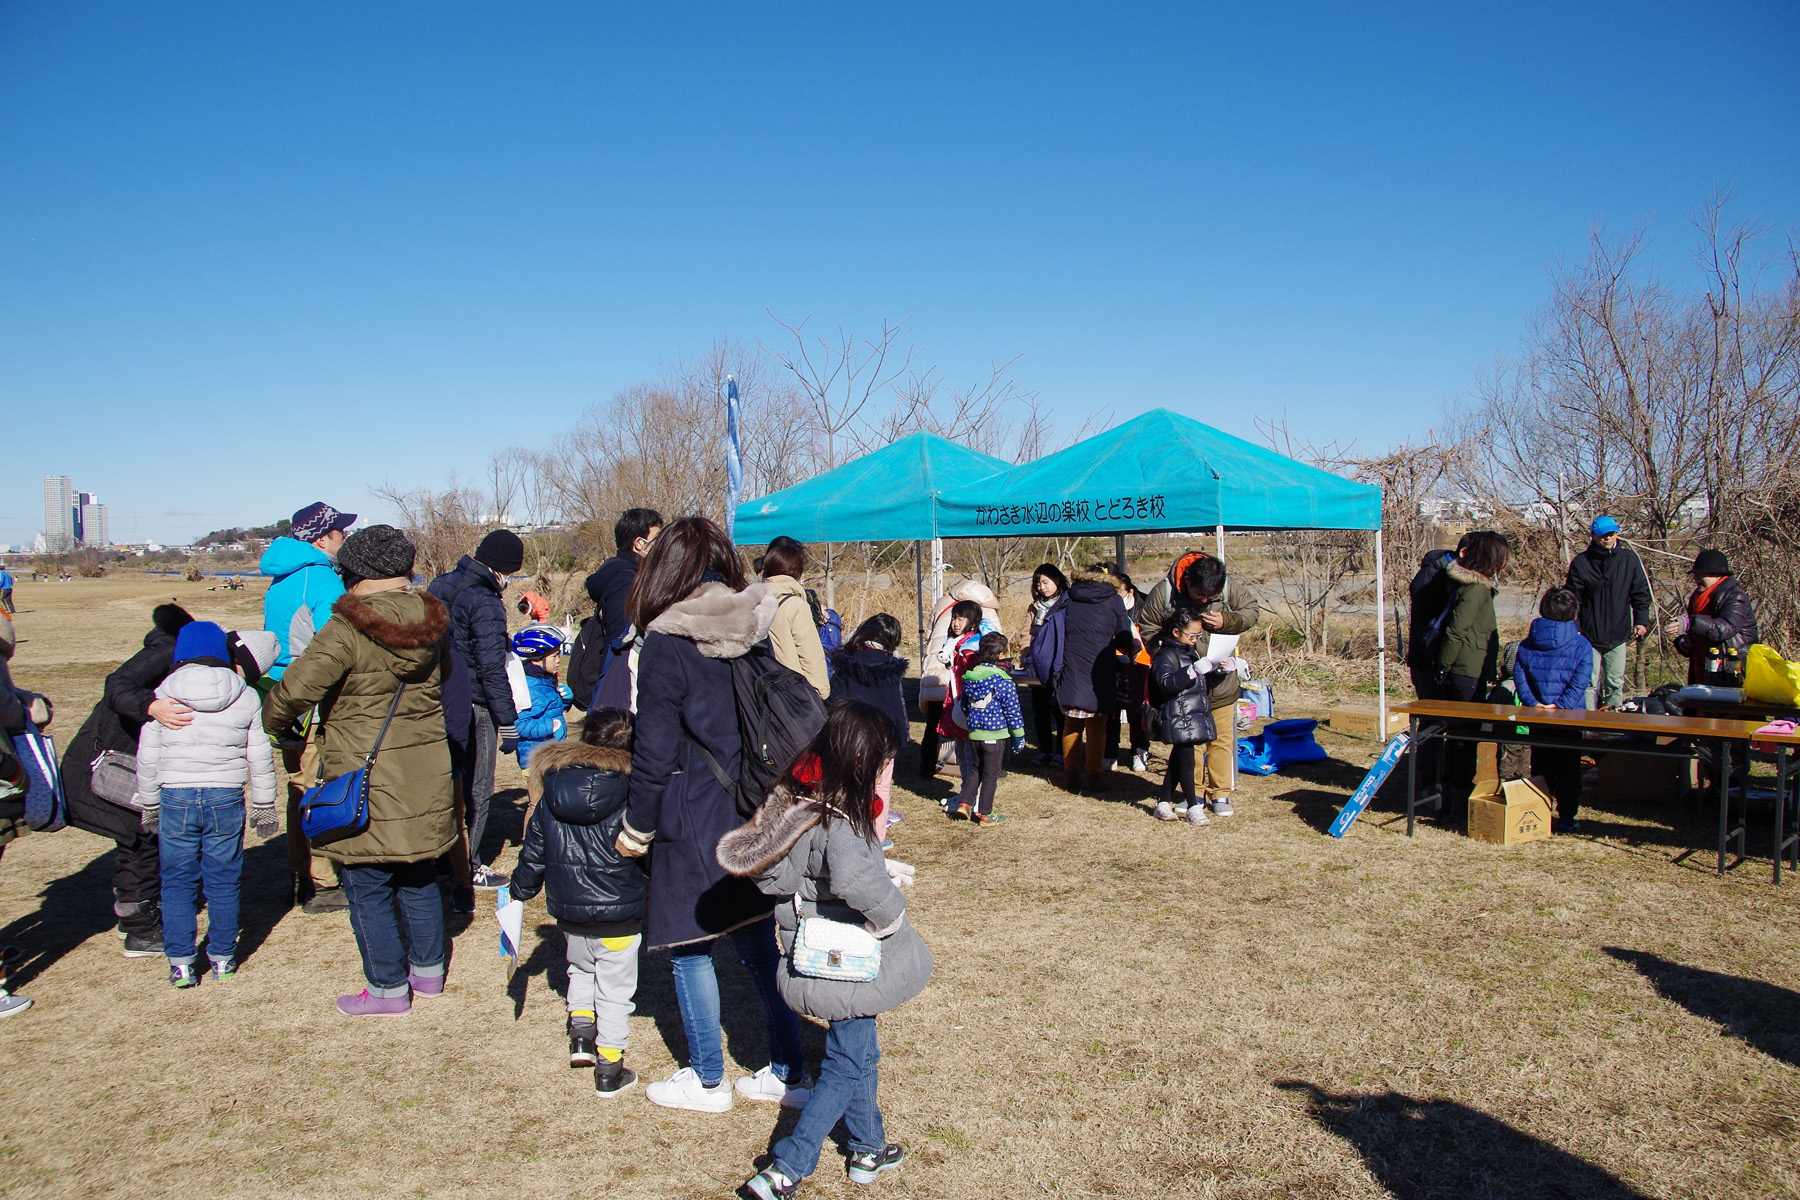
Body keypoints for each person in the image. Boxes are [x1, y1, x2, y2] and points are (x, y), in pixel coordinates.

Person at [614, 516, 808, 1113]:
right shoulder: (752, 626)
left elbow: (654, 751)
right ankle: (790, 1072)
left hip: (690, 812)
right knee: (755, 943)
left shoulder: (669, 644)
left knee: (689, 944)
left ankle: (704, 1080)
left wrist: (635, 828)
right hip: (750, 809)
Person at [717, 702, 931, 1200]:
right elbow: (857, 879)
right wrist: (892, 913)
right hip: (850, 956)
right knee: (846, 1062)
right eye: (881, 761)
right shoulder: (844, 816)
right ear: (862, 761)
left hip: (813, 948)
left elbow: (785, 875)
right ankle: (788, 1166)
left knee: (860, 1050)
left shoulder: (801, 801)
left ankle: (868, 1147)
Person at [264, 526, 456, 1017]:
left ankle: (388, 989)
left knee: (366, 879)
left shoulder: (347, 627)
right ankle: (428, 972)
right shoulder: (434, 621)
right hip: (425, 764)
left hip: (363, 770)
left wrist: (275, 721)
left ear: (354, 571)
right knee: (417, 869)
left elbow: (296, 689)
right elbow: (446, 675)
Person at [511, 707, 647, 1095]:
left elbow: (534, 848)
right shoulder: (637, 792)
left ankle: (582, 1036)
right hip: (620, 913)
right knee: (616, 991)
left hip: (568, 910)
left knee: (580, 969)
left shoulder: (553, 785)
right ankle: (610, 1065)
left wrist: (520, 889)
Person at [135, 623, 280, 987]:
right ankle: (222, 957)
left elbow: (148, 756)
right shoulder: (246, 696)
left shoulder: (163, 695)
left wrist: (150, 802)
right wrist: (264, 802)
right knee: (224, 879)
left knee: (177, 881)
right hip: (226, 796)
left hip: (176, 796)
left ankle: (181, 962)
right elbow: (259, 756)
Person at [59, 602, 196, 958]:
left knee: (142, 835)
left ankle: (140, 915)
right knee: (141, 836)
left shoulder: (169, 649)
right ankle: (140, 928)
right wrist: (151, 705)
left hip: (118, 760)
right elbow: (117, 684)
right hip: (106, 763)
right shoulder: (166, 651)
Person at [260, 500, 357, 914]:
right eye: (340, 531)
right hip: (312, 702)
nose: (344, 537)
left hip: (283, 694)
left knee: (299, 784)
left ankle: (301, 872)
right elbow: (333, 646)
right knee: (317, 785)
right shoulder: (320, 579)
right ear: (321, 538)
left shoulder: (282, 578)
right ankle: (321, 881)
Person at [427, 529, 525, 890]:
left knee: (446, 780)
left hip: (438, 696)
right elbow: (490, 665)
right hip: (476, 702)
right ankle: (468, 864)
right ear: (502, 568)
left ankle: (439, 856)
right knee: (478, 785)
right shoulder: (485, 601)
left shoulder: (439, 585)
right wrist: (507, 719)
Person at [1138, 553, 1260, 815]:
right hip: (1186, 684)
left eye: (1209, 596)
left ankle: (1221, 794)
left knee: (1221, 740)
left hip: (1221, 682)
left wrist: (1227, 621)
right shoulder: (1165, 592)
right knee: (1188, 739)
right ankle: (1190, 791)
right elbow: (1146, 625)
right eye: (1199, 594)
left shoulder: (1228, 588)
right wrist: (1169, 652)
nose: (1203, 600)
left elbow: (1251, 611)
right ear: (1187, 581)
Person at [1429, 531, 1510, 807]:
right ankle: (1458, 794)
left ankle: (1454, 790)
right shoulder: (1475, 589)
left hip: (1471, 668)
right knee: (1464, 736)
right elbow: (1456, 631)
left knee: (1462, 734)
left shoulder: (1476, 586)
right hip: (1466, 670)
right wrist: (1444, 666)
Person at [1514, 588, 1594, 833]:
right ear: (1573, 613)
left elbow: (1519, 673)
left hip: (1538, 715)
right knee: (1569, 769)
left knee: (1541, 767)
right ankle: (1568, 818)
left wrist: (1532, 701)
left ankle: (1539, 815)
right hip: (1568, 717)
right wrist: (1563, 704)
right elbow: (1582, 679)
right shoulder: (1581, 644)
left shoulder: (1528, 642)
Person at [1056, 569, 1134, 793]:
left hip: (1071, 665)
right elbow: (1123, 636)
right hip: (1100, 669)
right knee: (1097, 727)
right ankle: (1094, 775)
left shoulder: (1069, 596)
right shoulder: (1113, 599)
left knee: (1071, 724)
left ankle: (1071, 774)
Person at [1565, 516, 1652, 708]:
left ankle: (1613, 724)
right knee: (1588, 682)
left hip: (1618, 633)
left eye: (1611, 534)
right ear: (1593, 536)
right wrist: (1575, 626)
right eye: (1603, 535)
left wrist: (1641, 621)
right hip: (1589, 634)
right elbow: (1573, 598)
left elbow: (1640, 593)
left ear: (1617, 534)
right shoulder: (1581, 562)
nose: (1608, 538)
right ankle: (1586, 724)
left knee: (1615, 683)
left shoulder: (1629, 559)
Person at [1149, 608, 1220, 825]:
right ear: (1176, 632)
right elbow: (1166, 683)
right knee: (1188, 762)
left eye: (1198, 636)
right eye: (1192, 636)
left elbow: (1201, 686)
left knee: (1178, 761)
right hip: (1177, 715)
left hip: (1191, 713)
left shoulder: (1191, 653)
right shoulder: (1165, 656)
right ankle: (1193, 806)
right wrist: (1190, 672)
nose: (1195, 640)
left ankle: (1163, 802)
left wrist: (1219, 671)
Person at [947, 632, 1023, 824]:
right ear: (999, 655)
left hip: (974, 734)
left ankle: (965, 803)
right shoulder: (1004, 681)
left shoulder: (971, 677)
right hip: (995, 736)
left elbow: (964, 705)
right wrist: (1019, 735)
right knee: (990, 776)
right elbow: (1013, 711)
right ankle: (985, 813)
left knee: (974, 769)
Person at [1666, 549, 1759, 686]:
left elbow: (1726, 628)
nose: (1696, 578)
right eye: (1695, 573)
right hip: (1705, 669)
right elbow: (1701, 631)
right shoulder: (1698, 597)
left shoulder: (1735, 597)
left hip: (1732, 670)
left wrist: (1690, 623)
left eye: (1701, 574)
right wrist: (1685, 642)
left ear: (1718, 576)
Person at [583, 507, 663, 653]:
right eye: (657, 539)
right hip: (624, 665)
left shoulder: (623, 572)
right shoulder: (626, 580)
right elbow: (620, 636)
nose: (661, 546)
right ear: (640, 543)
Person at [760, 536, 830, 700]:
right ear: (798, 573)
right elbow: (810, 656)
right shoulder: (796, 606)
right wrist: (821, 692)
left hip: (760, 689)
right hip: (792, 692)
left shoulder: (752, 601)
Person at [1096, 565, 1152, 773]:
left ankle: (1139, 750)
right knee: (1112, 712)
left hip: (1139, 665)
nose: (1116, 595)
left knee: (1137, 712)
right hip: (1113, 663)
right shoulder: (1107, 607)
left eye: (1119, 591)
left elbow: (1149, 632)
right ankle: (1110, 753)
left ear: (1130, 591)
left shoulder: (1143, 607)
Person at [918, 600, 983, 776]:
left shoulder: (972, 641)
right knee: (960, 739)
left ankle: (970, 787)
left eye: (961, 619)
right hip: (951, 690)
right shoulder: (954, 639)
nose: (955, 623)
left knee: (966, 741)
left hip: (960, 693)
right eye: (954, 618)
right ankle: (965, 783)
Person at [1405, 533, 1475, 697]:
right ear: (1463, 552)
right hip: (1429, 662)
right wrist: (1441, 661)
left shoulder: (1454, 575)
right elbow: (1427, 625)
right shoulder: (1430, 576)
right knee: (1434, 717)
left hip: (1446, 661)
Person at [829, 614, 910, 748]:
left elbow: (835, 701)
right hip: (884, 737)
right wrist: (902, 738)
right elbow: (897, 706)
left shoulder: (847, 664)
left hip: (852, 735)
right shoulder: (890, 667)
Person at [1019, 563, 1068, 766]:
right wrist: (1026, 654)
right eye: (1038, 583)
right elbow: (1025, 633)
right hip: (1037, 666)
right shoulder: (1035, 606)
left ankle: (1061, 752)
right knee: (1040, 713)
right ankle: (1045, 750)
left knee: (1060, 711)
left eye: (1045, 582)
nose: (1042, 587)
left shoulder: (1067, 604)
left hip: (1059, 665)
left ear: (1057, 580)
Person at [510, 625, 570, 769]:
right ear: (536, 659)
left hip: (550, 752)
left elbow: (549, 709)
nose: (558, 661)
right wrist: (551, 726)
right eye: (554, 656)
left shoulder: (545, 680)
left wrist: (565, 700)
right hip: (536, 757)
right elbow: (520, 725)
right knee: (538, 789)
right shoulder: (531, 688)